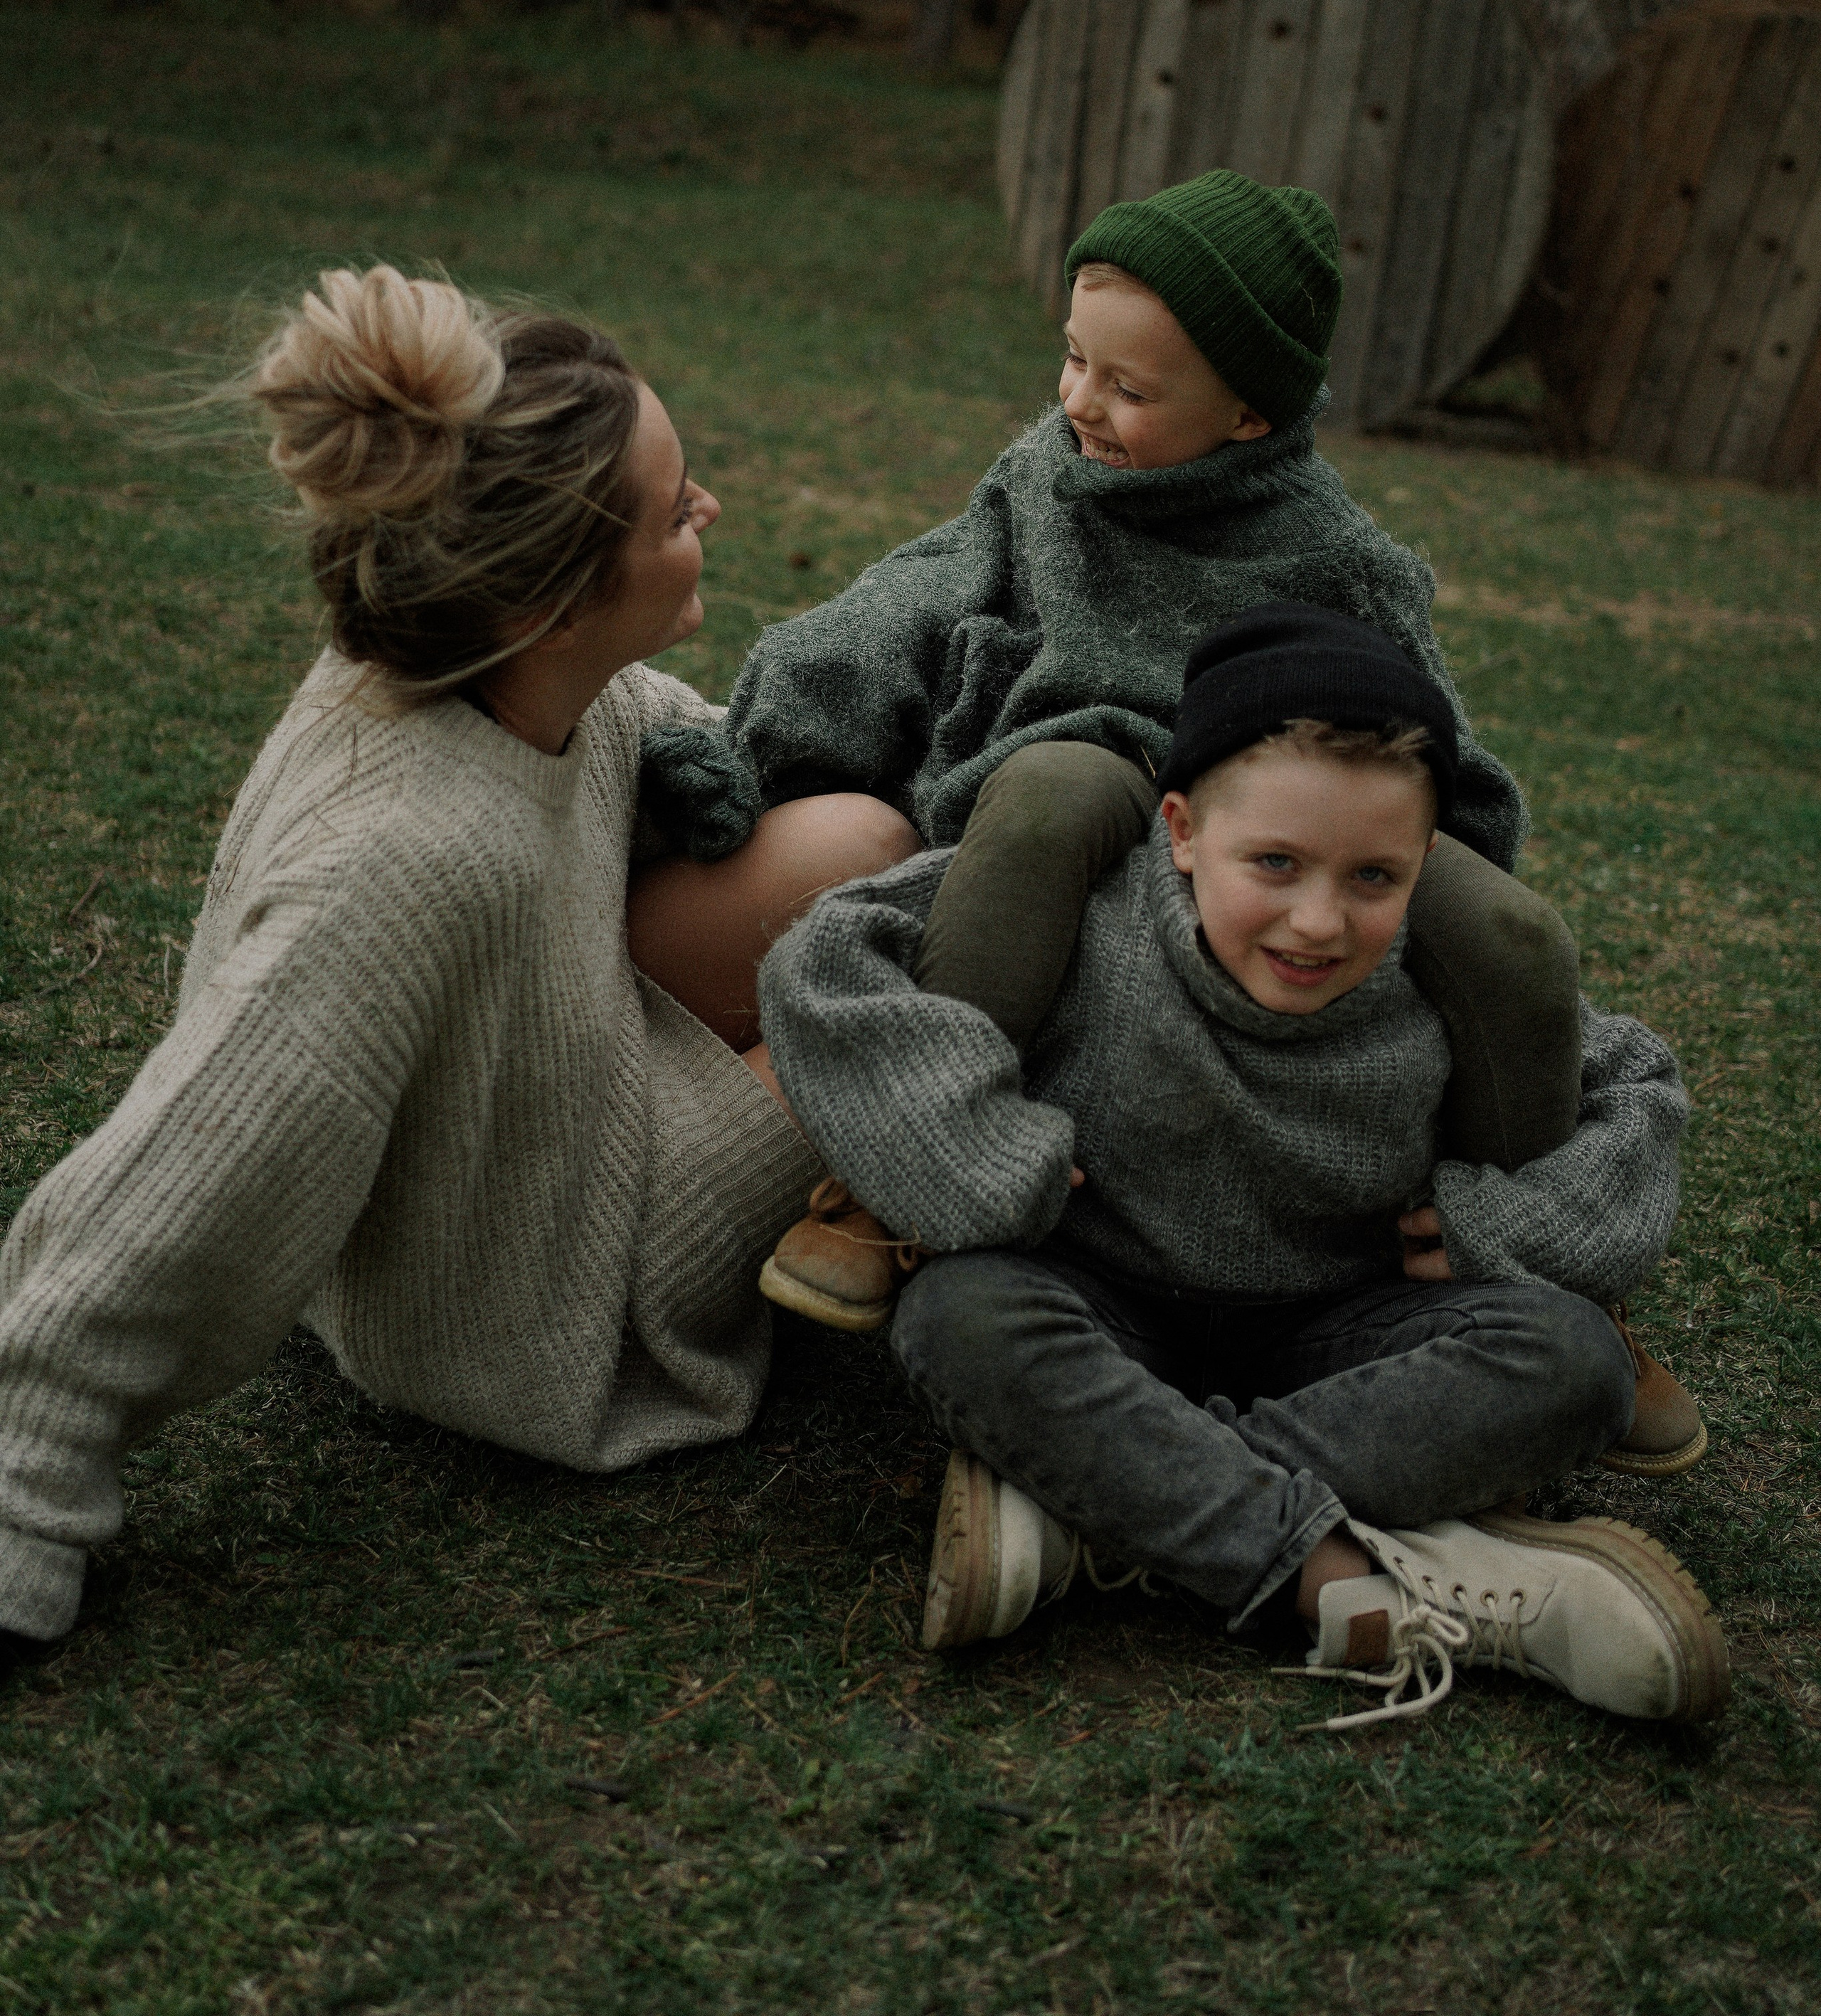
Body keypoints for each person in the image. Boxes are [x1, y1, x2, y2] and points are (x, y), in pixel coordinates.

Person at [635, 168, 1701, 1476]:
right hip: (1092, 783)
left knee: (1510, 927)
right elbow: (889, 614)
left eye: (1129, 389)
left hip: (1285, 818)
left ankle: (1536, 1260)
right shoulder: (1041, 487)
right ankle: (899, 1179)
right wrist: (752, 750)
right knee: (1050, 795)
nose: (1081, 401)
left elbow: (1432, 743)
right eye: (1075, 361)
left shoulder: (1344, 558)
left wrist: (1426, 854)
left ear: (1251, 411)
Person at [0, 268, 918, 1655]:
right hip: (545, 1285)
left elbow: (621, 716)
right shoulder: (401, 863)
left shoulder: (491, 661)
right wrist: (25, 1488)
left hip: (564, 1082)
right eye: (676, 511)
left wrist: (690, 755)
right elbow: (190, 1165)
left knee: (859, 843)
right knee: (892, 997)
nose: (708, 513)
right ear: (551, 605)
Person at [757, 605, 1729, 1729]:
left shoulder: (1440, 975)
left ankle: (1096, 1516)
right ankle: (1332, 1573)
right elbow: (825, 962)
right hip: (1092, 1296)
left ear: (1425, 865)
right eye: (1275, 863)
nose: (1319, 921)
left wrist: (1510, 1225)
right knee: (956, 1317)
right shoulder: (1097, 908)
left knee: (1576, 1358)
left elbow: (1638, 1089)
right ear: (1179, 829)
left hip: (1339, 1335)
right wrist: (970, 1151)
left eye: (1376, 877)